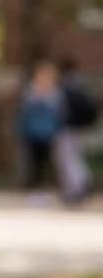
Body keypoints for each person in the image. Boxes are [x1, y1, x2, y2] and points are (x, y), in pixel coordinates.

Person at [17, 60, 65, 200]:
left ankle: (44, 191)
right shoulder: (31, 91)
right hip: (32, 133)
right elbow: (24, 113)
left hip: (48, 133)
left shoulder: (55, 93)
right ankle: (34, 190)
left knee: (46, 162)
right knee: (34, 162)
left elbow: (59, 114)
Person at [55, 56, 97, 204]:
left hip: (70, 127)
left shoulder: (66, 85)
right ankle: (81, 184)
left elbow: (63, 109)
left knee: (67, 157)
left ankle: (78, 186)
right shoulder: (81, 83)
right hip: (82, 127)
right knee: (74, 156)